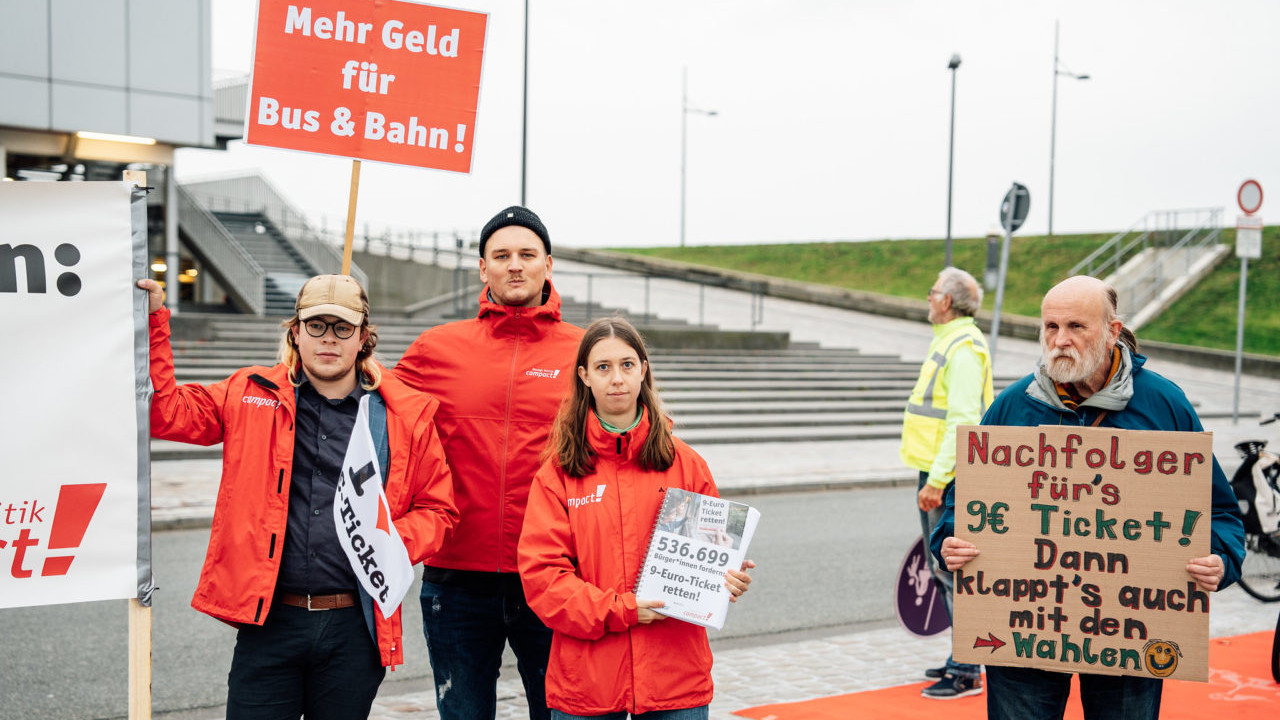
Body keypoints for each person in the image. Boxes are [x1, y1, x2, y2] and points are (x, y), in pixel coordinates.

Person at [138, 274, 458, 719]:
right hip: (270, 623)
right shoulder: (249, 393)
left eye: (343, 328)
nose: (329, 340)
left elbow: (439, 512)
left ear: (363, 337)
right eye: (316, 326)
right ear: (295, 331)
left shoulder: (403, 416)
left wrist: (387, 539)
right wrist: (154, 319)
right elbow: (164, 412)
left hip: (354, 626)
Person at [931, 275, 1246, 720]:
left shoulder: (1164, 405)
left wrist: (1219, 557)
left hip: (1129, 636)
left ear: (1113, 331)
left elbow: (1220, 512)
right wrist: (948, 540)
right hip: (1023, 634)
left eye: (1076, 327)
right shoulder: (1013, 406)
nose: (1060, 341)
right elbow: (962, 500)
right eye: (1050, 327)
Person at [393, 206, 585, 720]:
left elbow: (643, 442)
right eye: (501, 256)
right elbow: (370, 411)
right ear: (483, 268)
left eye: (527, 254)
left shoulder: (586, 352)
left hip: (555, 573)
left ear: (549, 263)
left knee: (564, 714)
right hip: (456, 578)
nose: (515, 265)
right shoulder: (437, 348)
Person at [517, 316, 755, 719]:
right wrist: (621, 610)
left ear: (643, 370)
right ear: (584, 376)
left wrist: (727, 575)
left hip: (674, 679)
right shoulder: (558, 472)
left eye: (627, 365)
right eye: (603, 367)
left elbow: (712, 554)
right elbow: (544, 580)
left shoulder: (687, 464)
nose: (617, 379)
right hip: (588, 683)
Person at [899, 266, 992, 699]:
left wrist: (937, 480)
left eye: (932, 291)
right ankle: (963, 655)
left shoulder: (963, 347)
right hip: (941, 470)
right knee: (945, 569)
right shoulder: (952, 342)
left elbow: (964, 421)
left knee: (954, 569)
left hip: (951, 475)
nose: (928, 297)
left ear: (946, 302)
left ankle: (968, 666)